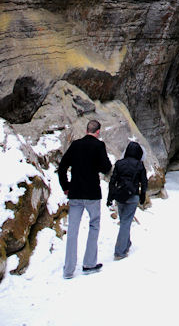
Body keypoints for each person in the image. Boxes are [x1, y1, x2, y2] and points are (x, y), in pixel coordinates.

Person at [57, 119, 112, 279]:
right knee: (93, 225)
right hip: (92, 193)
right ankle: (89, 264)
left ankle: (68, 269)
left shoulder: (75, 145)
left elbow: (62, 167)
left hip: (75, 192)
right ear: (98, 131)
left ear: (86, 129)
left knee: (72, 230)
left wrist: (65, 186)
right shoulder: (99, 146)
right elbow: (106, 167)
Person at [107, 141, 148, 260]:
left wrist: (110, 197)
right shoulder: (139, 165)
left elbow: (113, 181)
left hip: (120, 196)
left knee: (124, 220)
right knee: (125, 222)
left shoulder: (119, 163)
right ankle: (120, 252)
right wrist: (142, 195)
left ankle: (126, 243)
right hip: (132, 196)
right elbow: (144, 182)